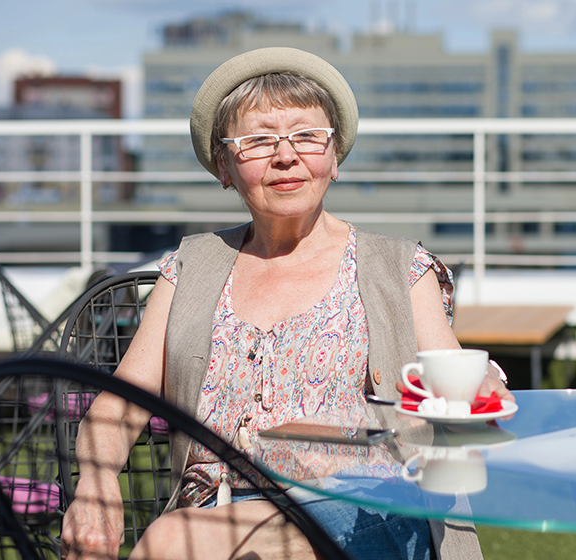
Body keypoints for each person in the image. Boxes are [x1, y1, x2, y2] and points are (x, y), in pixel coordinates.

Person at [60, 47, 513, 560]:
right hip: (214, 513)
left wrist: (475, 393)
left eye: (306, 135)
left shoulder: (399, 269)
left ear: (334, 156)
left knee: (169, 542)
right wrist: (94, 486)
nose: (285, 155)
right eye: (257, 141)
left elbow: (462, 394)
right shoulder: (191, 267)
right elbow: (118, 404)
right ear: (225, 166)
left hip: (365, 507)